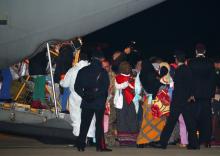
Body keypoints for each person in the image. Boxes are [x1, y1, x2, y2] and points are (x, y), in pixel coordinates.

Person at [150, 51, 199, 150]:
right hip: (186, 100)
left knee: (170, 123)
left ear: (176, 60)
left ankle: (162, 143)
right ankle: (194, 144)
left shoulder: (179, 70)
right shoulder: (188, 70)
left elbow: (177, 86)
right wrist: (190, 95)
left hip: (178, 101)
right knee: (189, 122)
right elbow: (191, 84)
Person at [74, 50, 111, 152]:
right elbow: (105, 88)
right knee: (99, 125)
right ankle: (99, 146)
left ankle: (81, 145)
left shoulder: (83, 70)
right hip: (98, 101)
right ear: (101, 59)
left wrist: (85, 96)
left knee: (84, 124)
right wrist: (95, 95)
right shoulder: (103, 72)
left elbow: (77, 87)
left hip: (86, 100)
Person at [60, 53, 96, 139]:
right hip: (89, 97)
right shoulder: (92, 70)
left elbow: (65, 84)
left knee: (77, 117)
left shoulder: (72, 70)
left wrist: (61, 80)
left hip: (75, 98)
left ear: (78, 59)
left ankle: (79, 138)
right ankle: (88, 137)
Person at [188, 43, 216, 147]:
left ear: (196, 51)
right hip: (207, 95)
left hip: (194, 95)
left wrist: (190, 93)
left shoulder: (191, 62)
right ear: (204, 51)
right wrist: (212, 94)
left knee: (195, 118)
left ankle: (196, 141)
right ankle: (207, 141)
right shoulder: (210, 62)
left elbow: (189, 79)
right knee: (207, 118)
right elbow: (213, 80)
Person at [114, 61, 139, 146]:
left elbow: (137, 88)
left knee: (132, 118)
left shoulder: (134, 77)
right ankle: (123, 140)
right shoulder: (118, 77)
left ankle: (132, 140)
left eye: (128, 67)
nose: (128, 68)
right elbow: (118, 86)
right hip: (122, 101)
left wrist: (133, 87)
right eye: (126, 67)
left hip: (131, 100)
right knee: (122, 119)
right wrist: (127, 83)